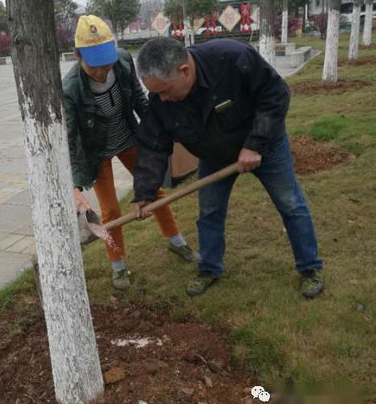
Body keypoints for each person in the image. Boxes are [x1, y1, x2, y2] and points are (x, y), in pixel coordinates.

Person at [131, 37, 324, 299]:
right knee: (209, 212)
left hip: (265, 143)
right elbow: (153, 146)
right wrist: (144, 193)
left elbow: (275, 95)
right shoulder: (160, 101)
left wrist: (255, 144)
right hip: (215, 155)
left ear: (184, 71)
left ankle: (310, 268)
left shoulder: (233, 58)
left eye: (165, 91)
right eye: (156, 93)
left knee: (290, 204)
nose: (162, 99)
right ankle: (209, 268)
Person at [62, 15, 199, 290]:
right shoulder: (71, 89)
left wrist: (160, 130)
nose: (103, 71)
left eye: (107, 62)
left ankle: (177, 242)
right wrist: (73, 185)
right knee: (111, 209)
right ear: (77, 56)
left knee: (153, 191)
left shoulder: (123, 61)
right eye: (95, 66)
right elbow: (70, 137)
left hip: (128, 138)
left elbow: (139, 100)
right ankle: (118, 265)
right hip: (96, 150)